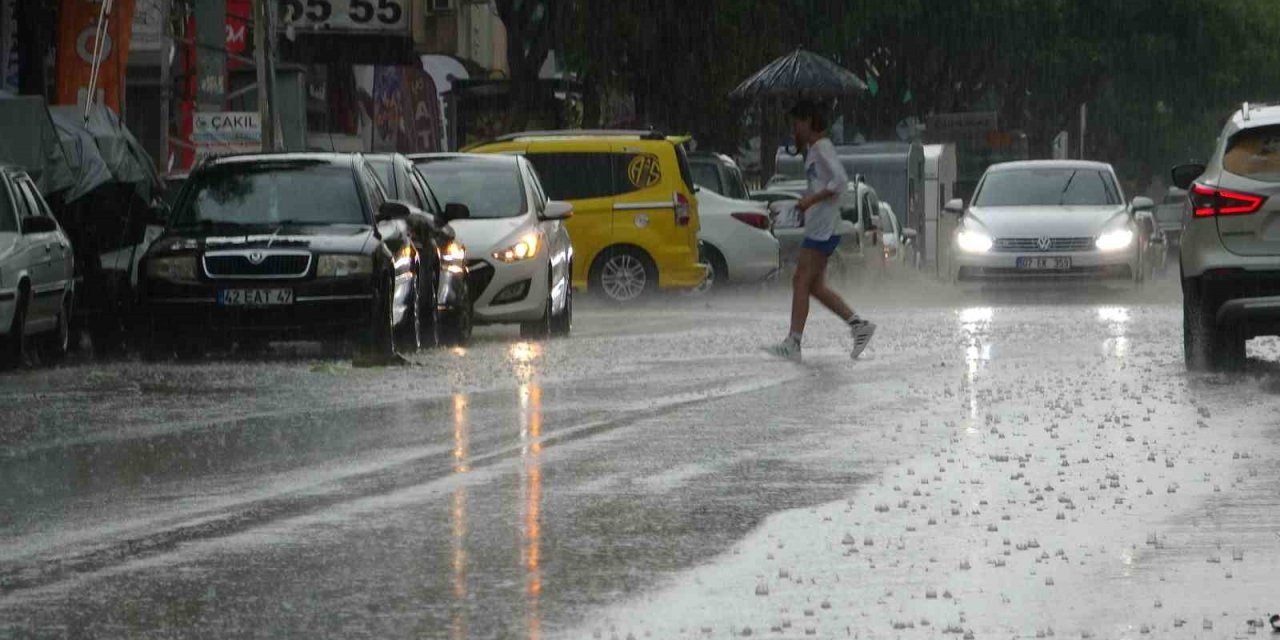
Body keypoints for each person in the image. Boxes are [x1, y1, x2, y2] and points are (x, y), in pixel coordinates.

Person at [766, 100, 875, 361]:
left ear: (808, 122)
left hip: (823, 228)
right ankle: (859, 326)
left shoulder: (823, 147)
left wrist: (810, 201)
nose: (794, 130)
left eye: (796, 124)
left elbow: (839, 181)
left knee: (800, 281)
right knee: (814, 287)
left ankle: (793, 343)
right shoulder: (814, 149)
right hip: (820, 226)